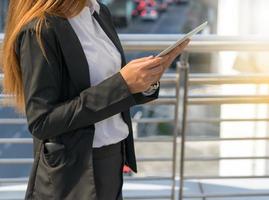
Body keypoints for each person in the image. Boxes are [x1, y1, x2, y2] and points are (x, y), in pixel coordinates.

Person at [2, 0, 190, 199]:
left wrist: (146, 80)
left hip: (113, 160)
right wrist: (122, 85)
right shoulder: (40, 30)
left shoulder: (99, 12)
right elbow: (42, 121)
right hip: (73, 176)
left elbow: (113, 90)